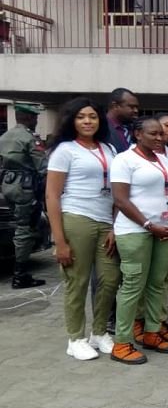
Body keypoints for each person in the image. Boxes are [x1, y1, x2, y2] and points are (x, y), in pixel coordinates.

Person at [45, 97, 120, 360]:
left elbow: (116, 189)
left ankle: (99, 333)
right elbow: (52, 196)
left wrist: (114, 225)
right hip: (77, 218)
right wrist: (59, 241)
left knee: (109, 280)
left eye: (92, 116)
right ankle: (75, 338)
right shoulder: (65, 150)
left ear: (100, 120)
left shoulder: (108, 149)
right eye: (81, 117)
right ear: (72, 121)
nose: (87, 121)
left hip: (106, 222)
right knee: (77, 282)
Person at [110, 116, 168, 364]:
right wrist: (149, 225)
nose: (160, 138)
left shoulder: (162, 158)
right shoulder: (124, 160)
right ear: (137, 134)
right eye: (154, 134)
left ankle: (152, 332)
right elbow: (120, 200)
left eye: (161, 134)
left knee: (157, 283)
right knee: (132, 287)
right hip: (136, 232)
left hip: (165, 230)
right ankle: (121, 343)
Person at [0, 102, 48, 289]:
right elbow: (43, 167)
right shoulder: (29, 138)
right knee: (25, 229)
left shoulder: (5, 136)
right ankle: (20, 275)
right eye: (35, 117)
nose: (36, 120)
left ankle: (21, 271)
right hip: (25, 188)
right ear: (27, 118)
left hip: (9, 185)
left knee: (22, 226)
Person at [105, 88, 139, 153]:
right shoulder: (100, 127)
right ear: (115, 106)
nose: (136, 111)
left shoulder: (135, 129)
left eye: (137, 107)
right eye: (131, 107)